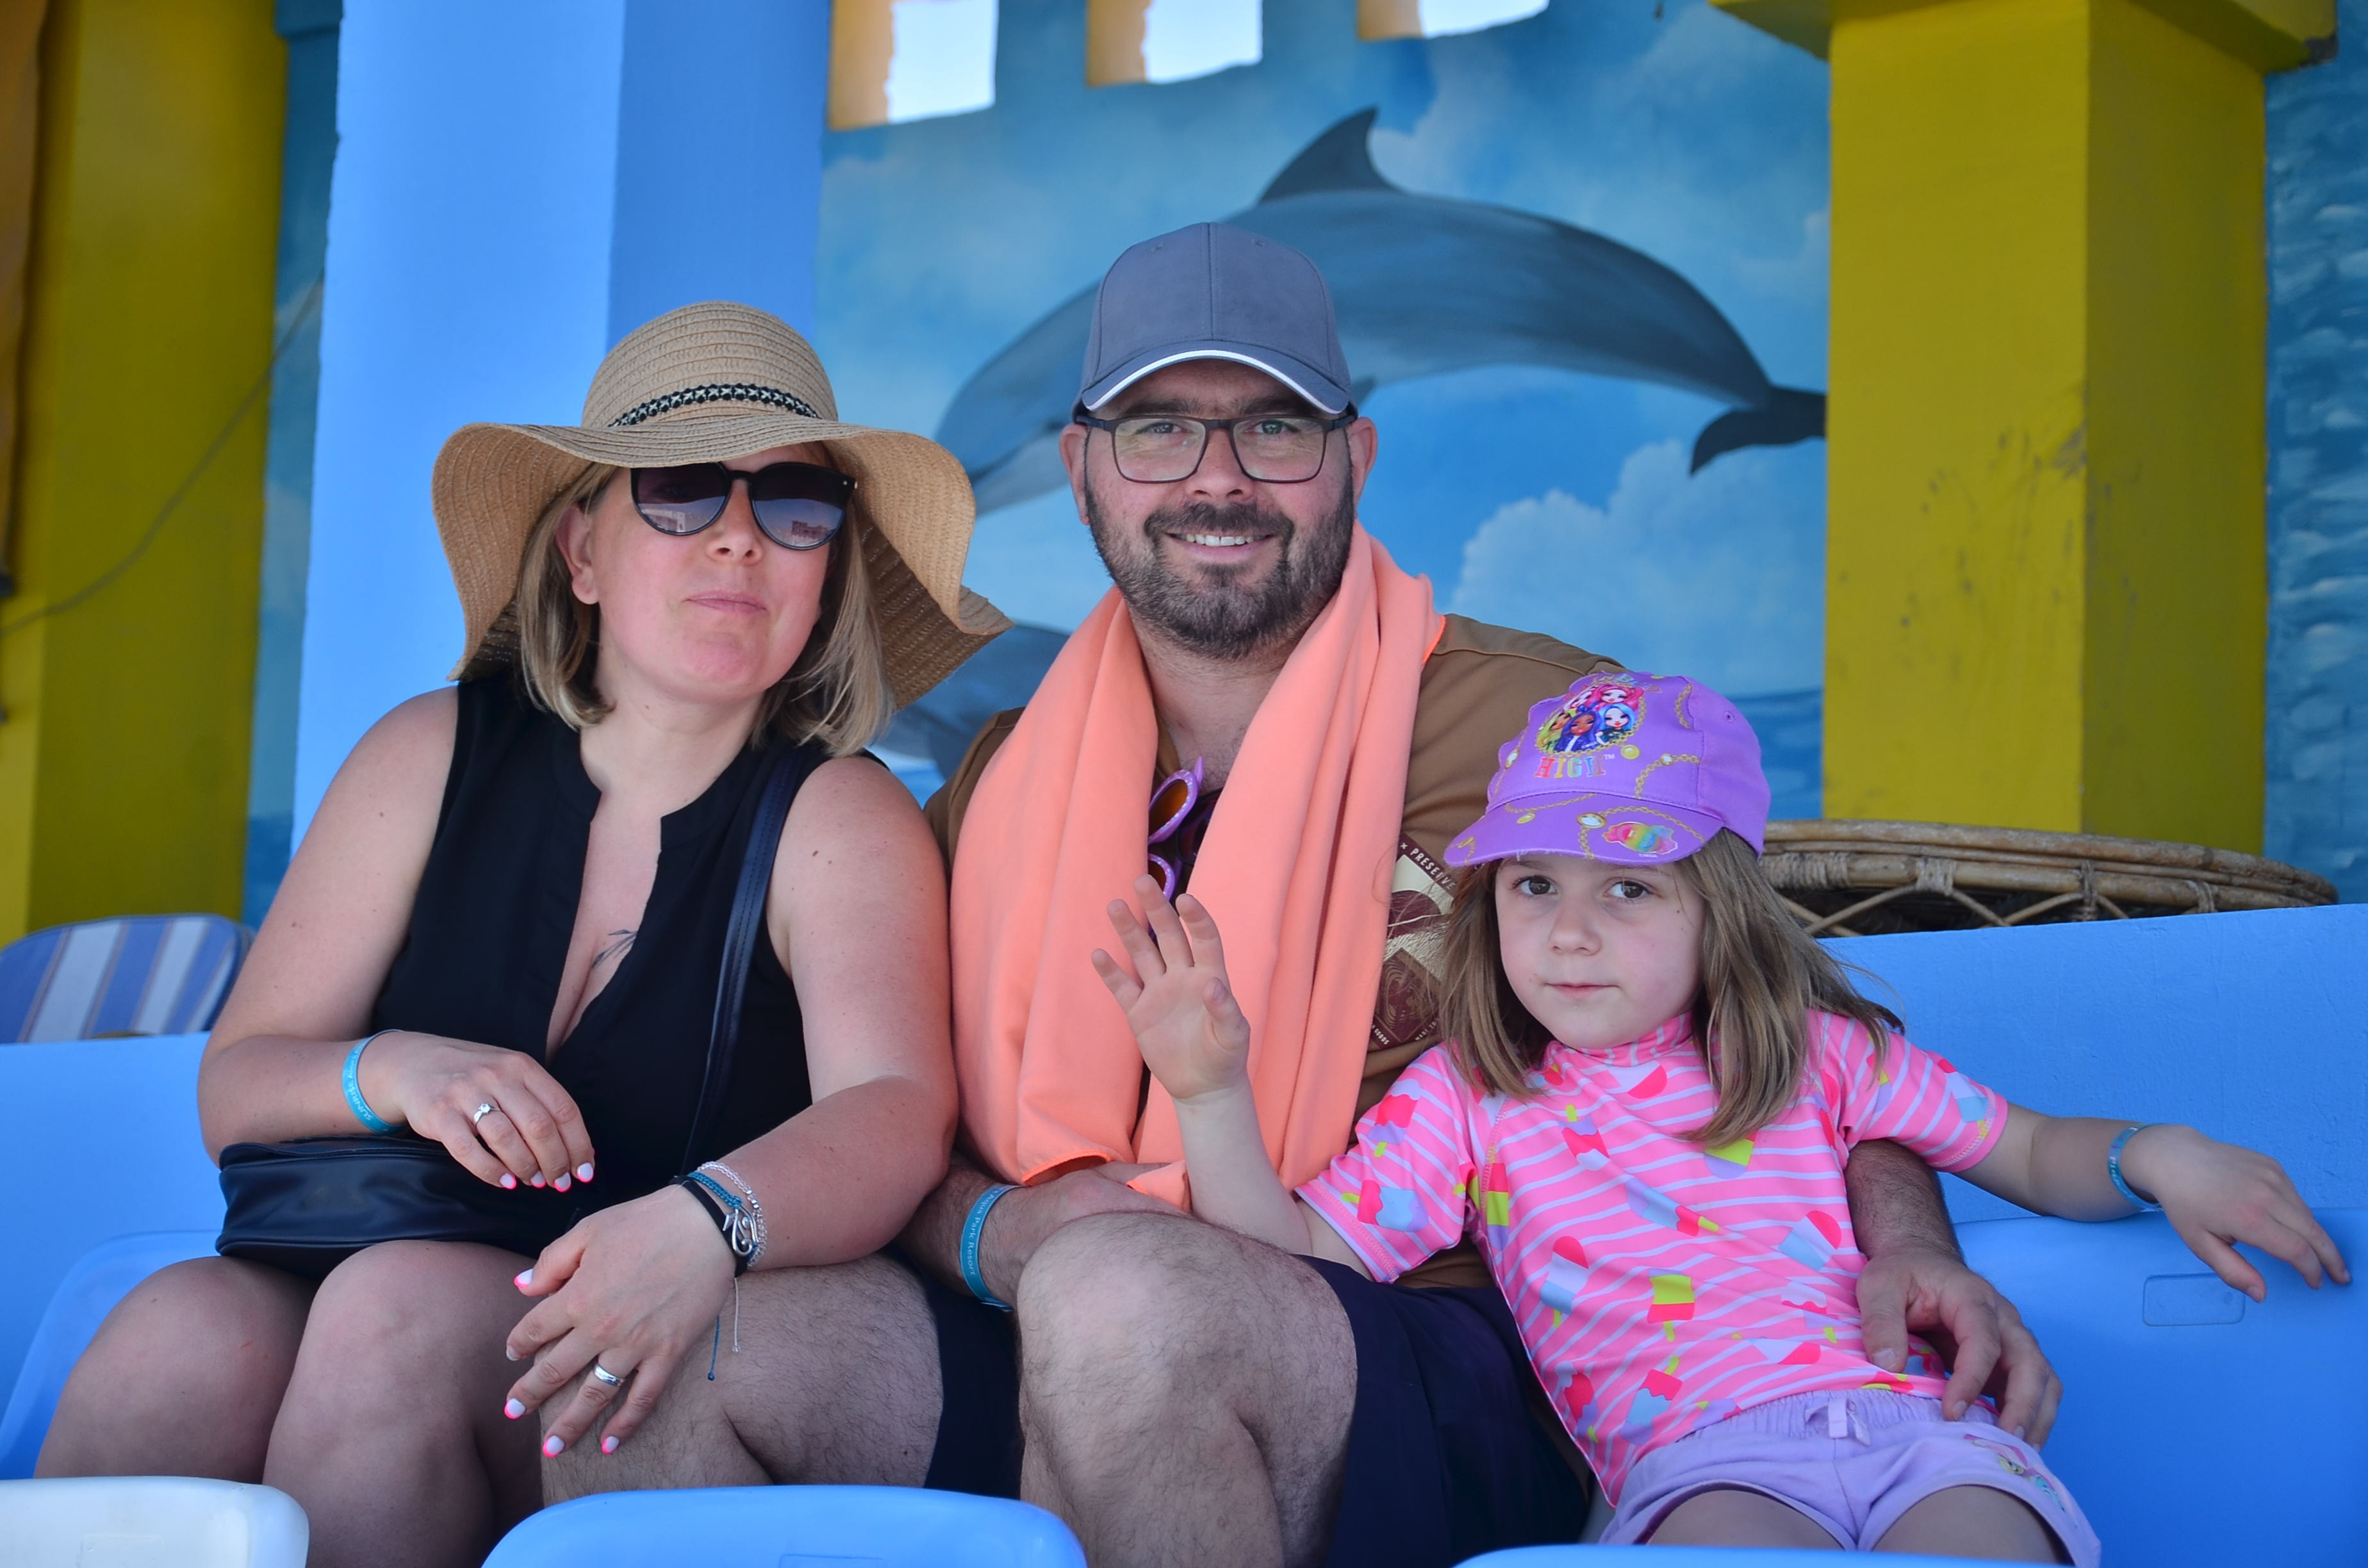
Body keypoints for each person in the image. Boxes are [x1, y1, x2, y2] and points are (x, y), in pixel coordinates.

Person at [572, 225, 2064, 1566]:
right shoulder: (997, 786)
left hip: (1455, 1348)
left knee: (1122, 1301)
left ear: (1356, 458)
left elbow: (1802, 1035)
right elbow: (893, 1128)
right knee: (639, 1368)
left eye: (1275, 427)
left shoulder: (1544, 725)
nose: (1217, 479)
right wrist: (992, 1236)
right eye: (1158, 429)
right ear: (1082, 468)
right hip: (1034, 1311)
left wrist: (1912, 1248)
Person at [36, 302, 1007, 1568]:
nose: (738, 537)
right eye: (680, 489)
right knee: (174, 1336)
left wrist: (709, 1222)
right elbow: (239, 1086)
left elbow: (895, 1110)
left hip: (624, 1307)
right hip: (366, 1245)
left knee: (393, 1318)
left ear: (827, 572)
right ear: (581, 551)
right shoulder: (426, 751)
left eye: (796, 505)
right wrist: (395, 1069)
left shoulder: (840, 814)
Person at [1094, 669, 2347, 1563]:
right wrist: (1210, 1094)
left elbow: (2025, 1149)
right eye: (1534, 883)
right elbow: (1300, 1256)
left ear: (1721, 912)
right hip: (1702, 1462)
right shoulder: (1473, 1097)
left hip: (1930, 1433)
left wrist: (2155, 1154)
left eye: (1629, 887)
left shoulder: (1816, 1054)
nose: (1568, 932)